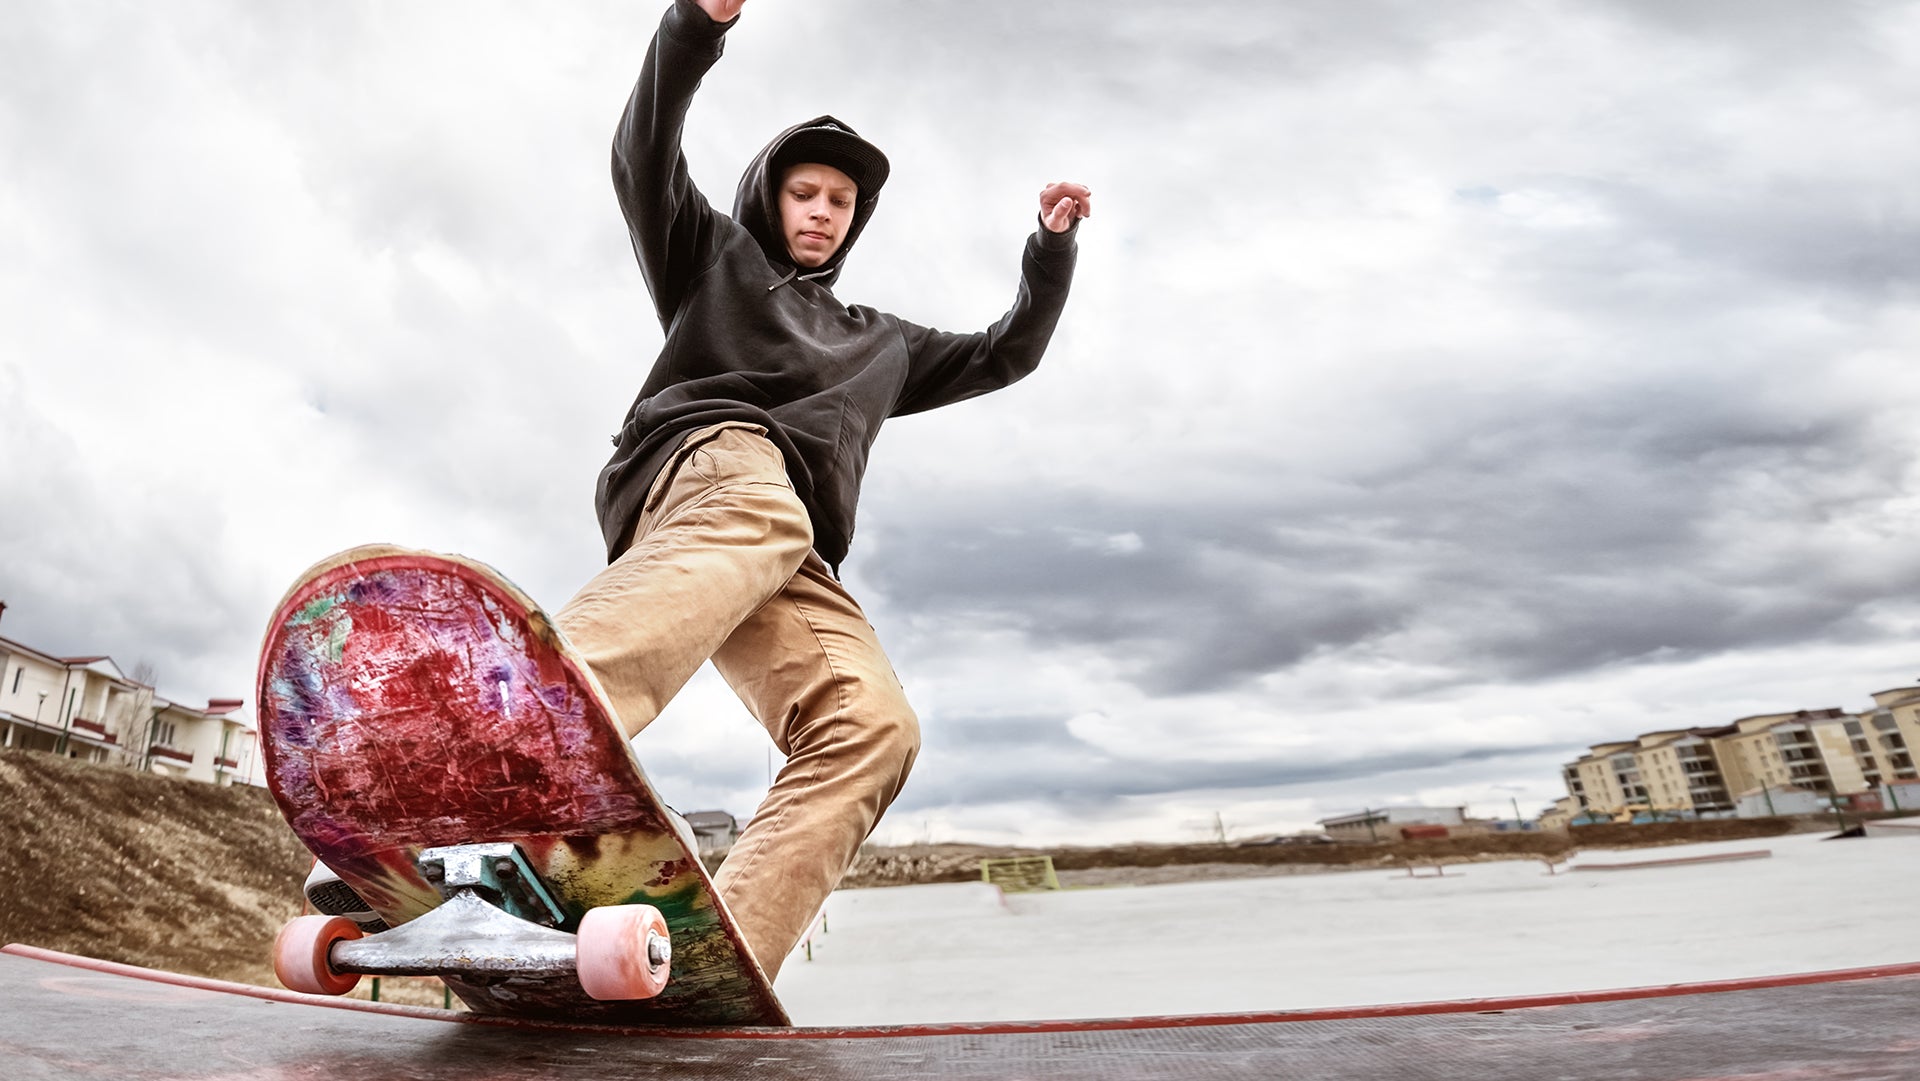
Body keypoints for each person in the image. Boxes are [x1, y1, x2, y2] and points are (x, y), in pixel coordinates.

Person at [310, 0, 1089, 982]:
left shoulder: (882, 344)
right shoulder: (714, 258)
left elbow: (1006, 355)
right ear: (770, 196)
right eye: (802, 192)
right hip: (709, 475)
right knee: (763, 509)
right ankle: (478, 771)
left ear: (855, 221)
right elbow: (644, 154)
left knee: (874, 728)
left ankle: (709, 973)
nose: (818, 211)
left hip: (786, 556)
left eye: (838, 202)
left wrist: (1050, 251)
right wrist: (693, 28)